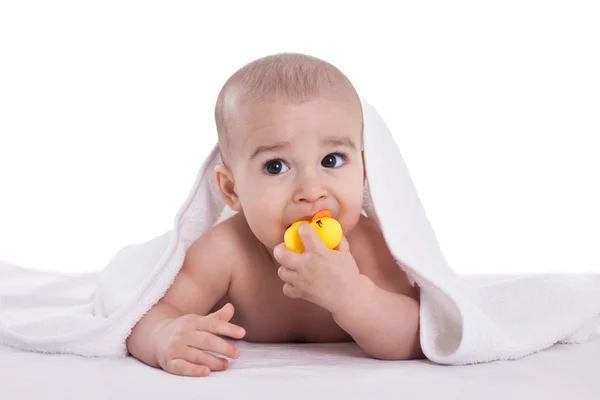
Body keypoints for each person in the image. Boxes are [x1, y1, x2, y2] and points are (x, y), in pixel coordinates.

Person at [126, 52, 423, 377]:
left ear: (365, 171)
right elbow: (148, 314)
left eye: (331, 160)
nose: (311, 190)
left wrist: (351, 295)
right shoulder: (227, 252)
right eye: (276, 166)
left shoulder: (371, 250)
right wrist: (162, 337)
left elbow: (419, 335)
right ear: (232, 190)